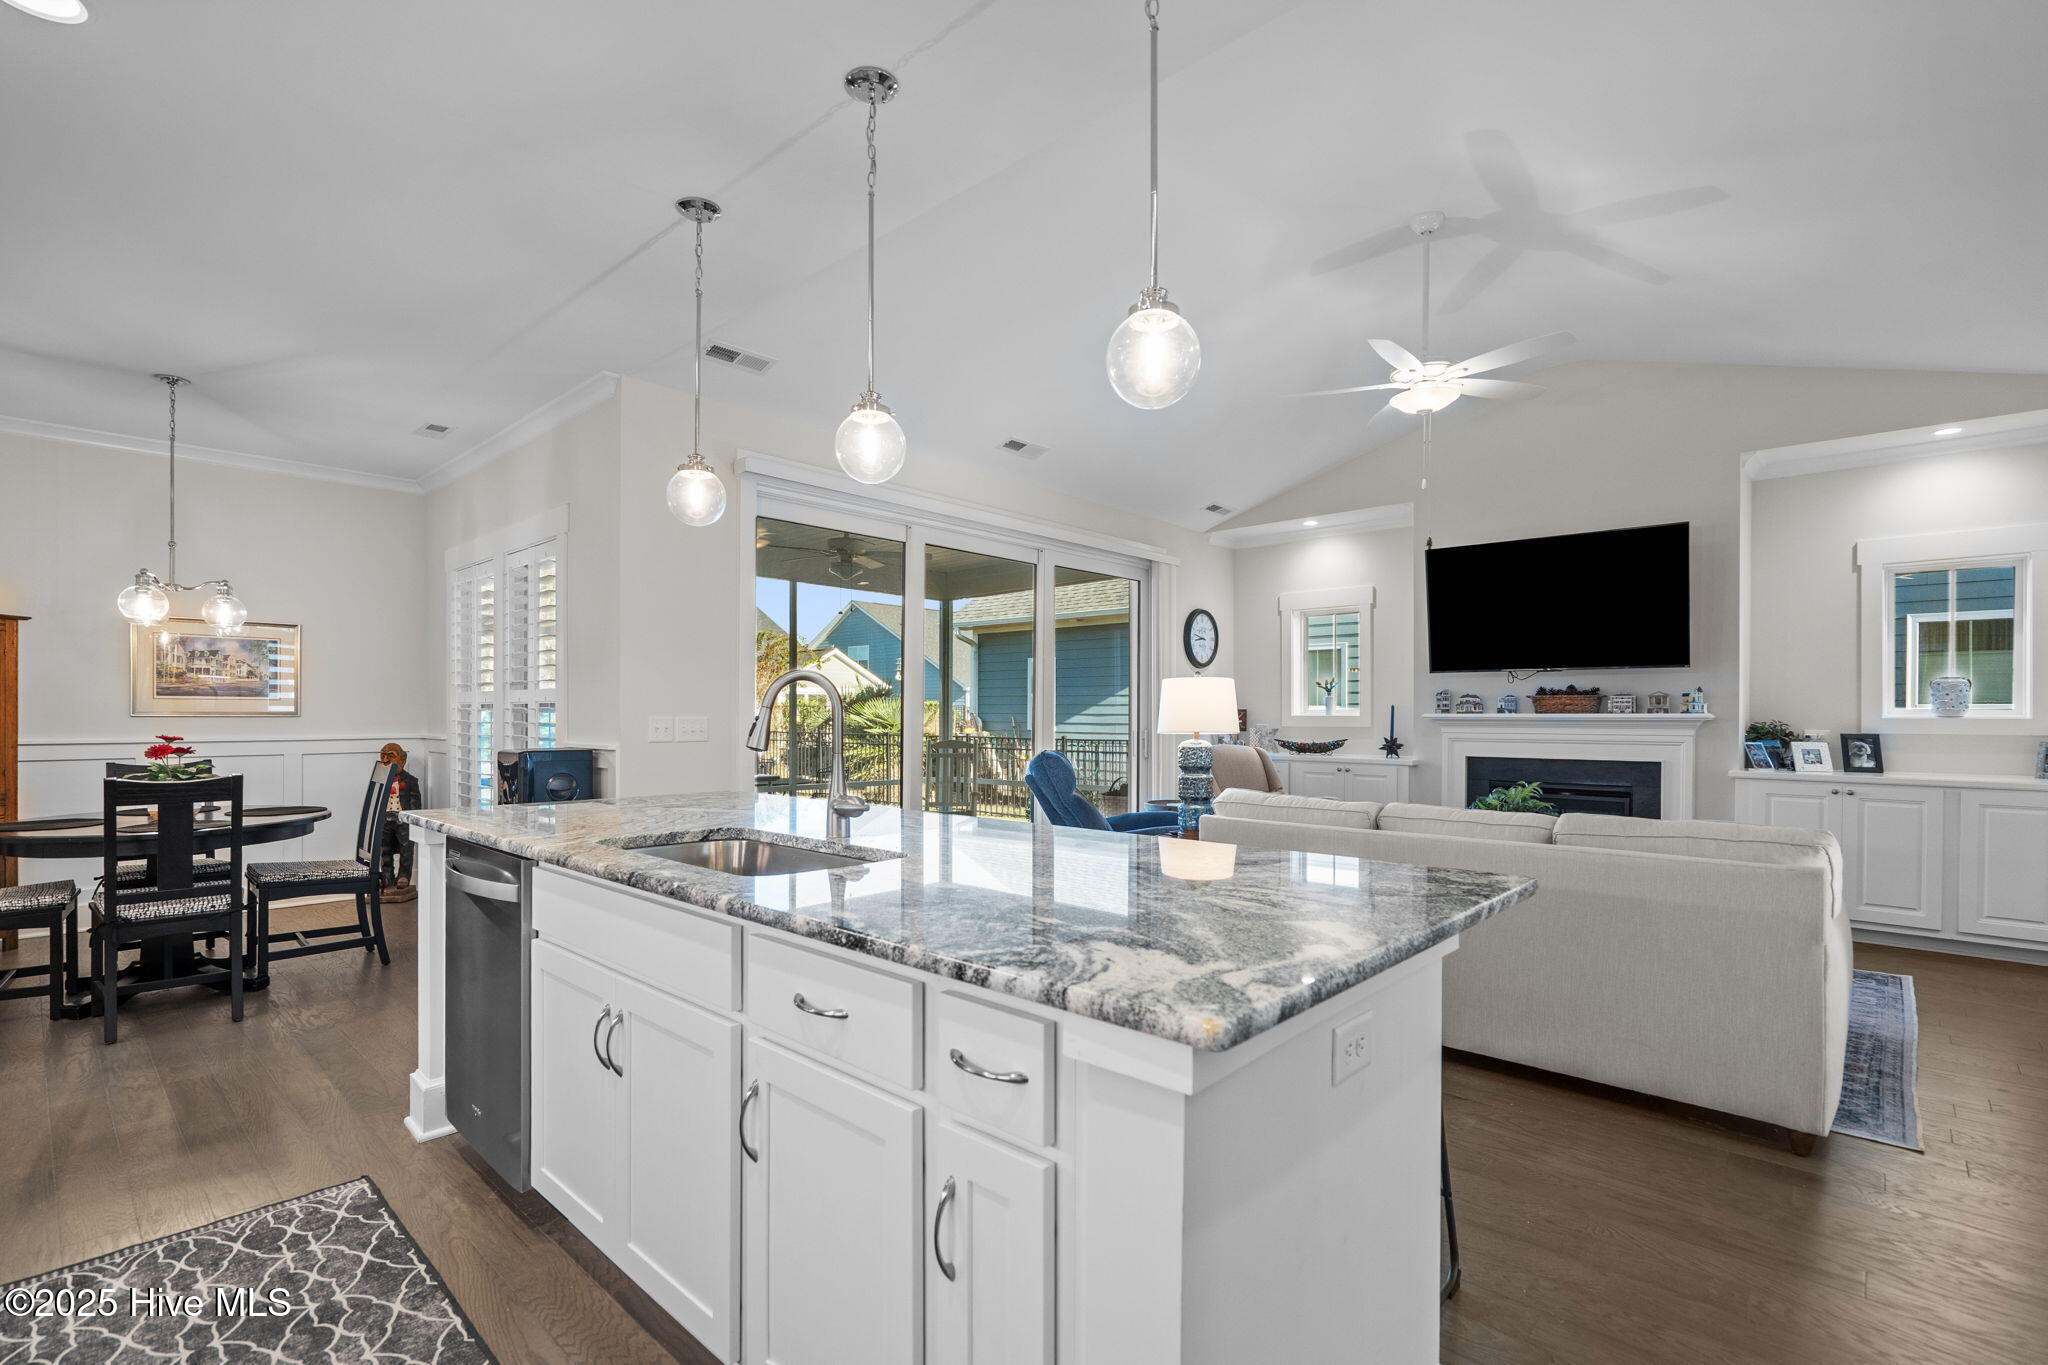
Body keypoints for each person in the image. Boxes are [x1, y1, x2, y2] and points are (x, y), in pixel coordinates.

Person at [378, 742, 425, 902]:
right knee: (384, 848)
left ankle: (404, 875)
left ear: (402, 760)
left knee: (406, 848)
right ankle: (386, 876)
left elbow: (415, 802)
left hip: (402, 818)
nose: (385, 760)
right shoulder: (380, 780)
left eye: (390, 756)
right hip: (384, 818)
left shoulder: (410, 780)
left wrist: (411, 819)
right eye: (382, 755)